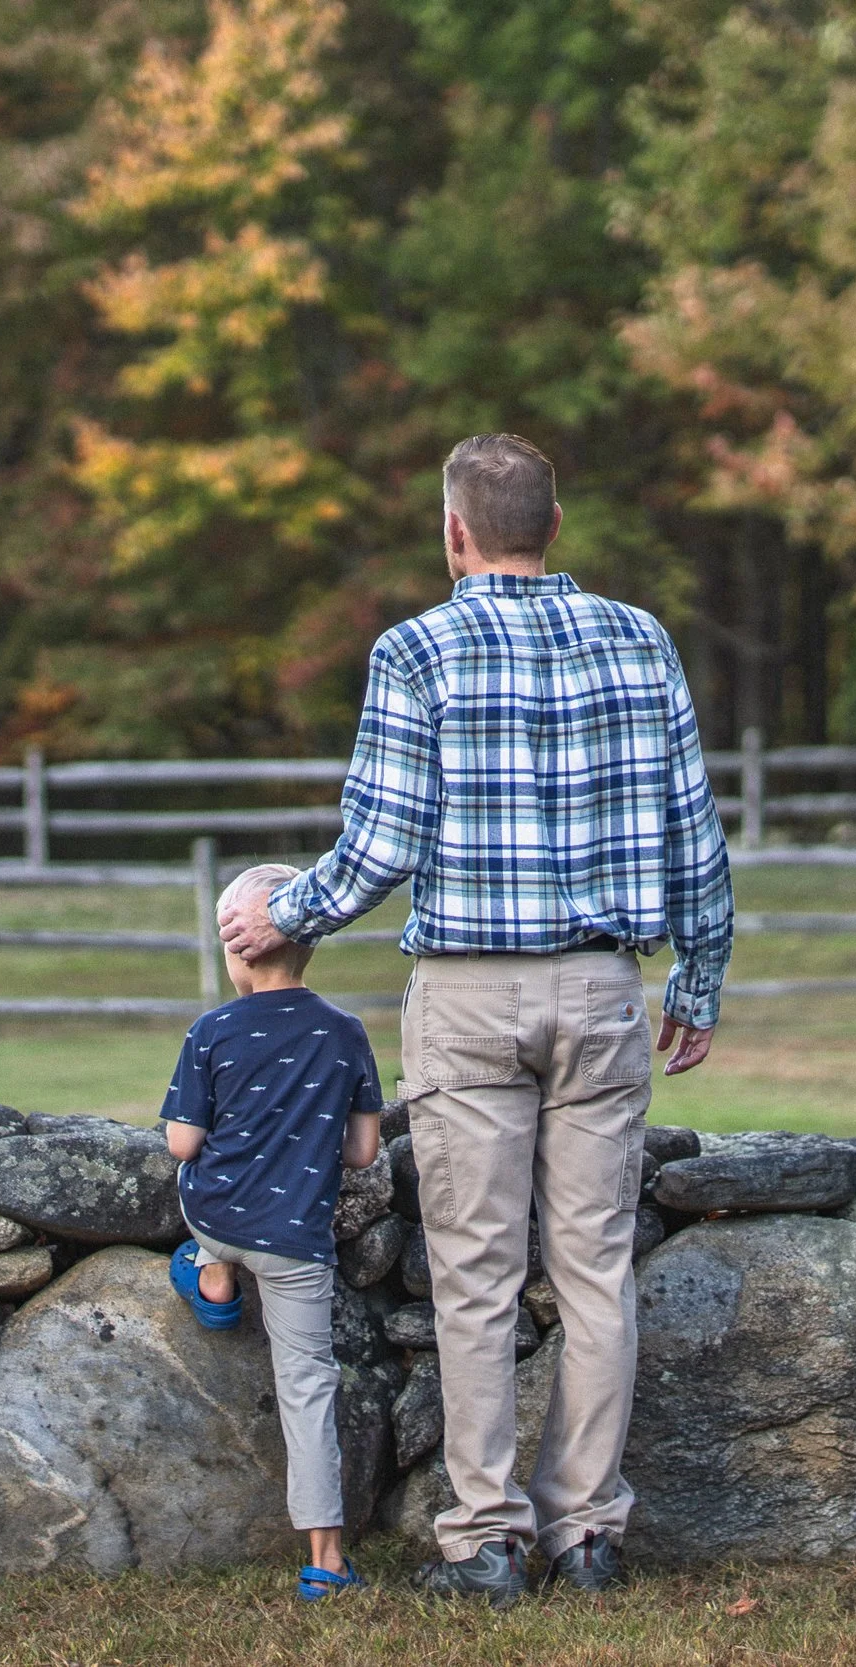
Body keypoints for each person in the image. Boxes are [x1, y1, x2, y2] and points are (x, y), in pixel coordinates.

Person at [219, 433, 733, 1607]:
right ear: (553, 526)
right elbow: (691, 824)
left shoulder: (417, 649)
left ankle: (486, 1534)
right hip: (603, 986)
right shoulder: (638, 637)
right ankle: (588, 1534)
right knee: (596, 1267)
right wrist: (698, 975)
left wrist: (283, 915)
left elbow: (384, 839)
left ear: (456, 531)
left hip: (466, 990)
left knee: (476, 1273)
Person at [161, 861, 384, 1603]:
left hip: (219, 1214)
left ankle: (214, 1277)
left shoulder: (212, 1029)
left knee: (206, 1229)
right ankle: (324, 1560)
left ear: (237, 952)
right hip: (296, 1242)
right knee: (308, 1388)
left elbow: (182, 1146)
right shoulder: (344, 1032)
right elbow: (361, 1152)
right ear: (310, 945)